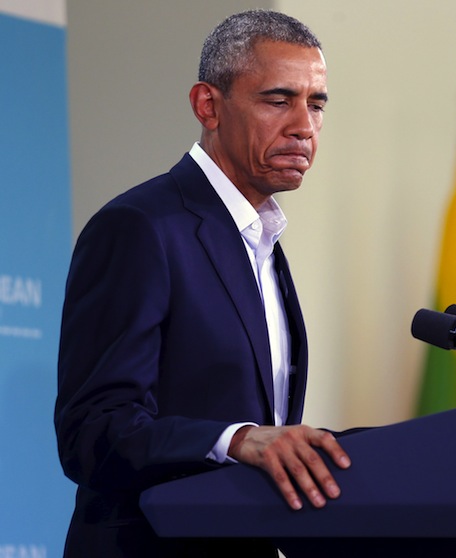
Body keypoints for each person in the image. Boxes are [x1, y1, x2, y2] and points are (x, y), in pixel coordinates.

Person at [54, 10, 350, 557]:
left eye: (317, 104)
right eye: (278, 100)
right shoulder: (142, 227)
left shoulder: (261, 240)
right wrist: (236, 440)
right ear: (208, 106)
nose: (304, 126)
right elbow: (92, 432)